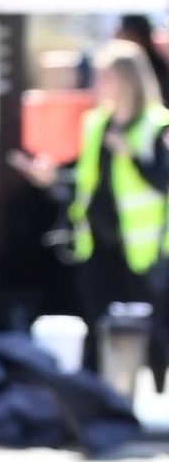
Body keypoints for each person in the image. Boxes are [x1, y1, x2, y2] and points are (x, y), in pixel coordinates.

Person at [51, 35, 168, 384]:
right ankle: (100, 395)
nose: (98, 84)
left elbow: (163, 181)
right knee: (98, 324)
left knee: (151, 333)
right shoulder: (95, 124)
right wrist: (54, 177)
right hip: (97, 243)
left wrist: (131, 156)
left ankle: (155, 396)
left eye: (105, 76)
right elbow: (86, 178)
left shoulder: (157, 125)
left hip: (144, 252)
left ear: (128, 80)